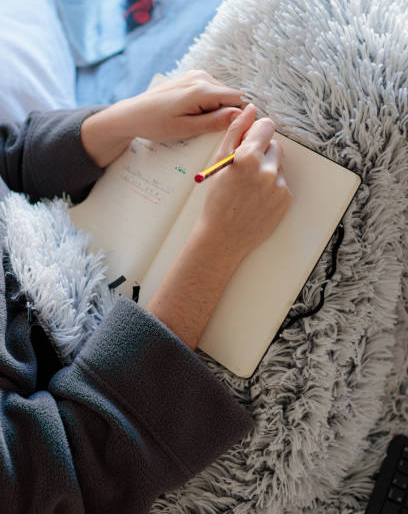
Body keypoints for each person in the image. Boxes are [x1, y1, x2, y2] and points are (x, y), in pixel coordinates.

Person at [0, 69, 292, 513]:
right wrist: (217, 246)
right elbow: (61, 474)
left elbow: (10, 161)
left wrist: (119, 121)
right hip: (148, 394)